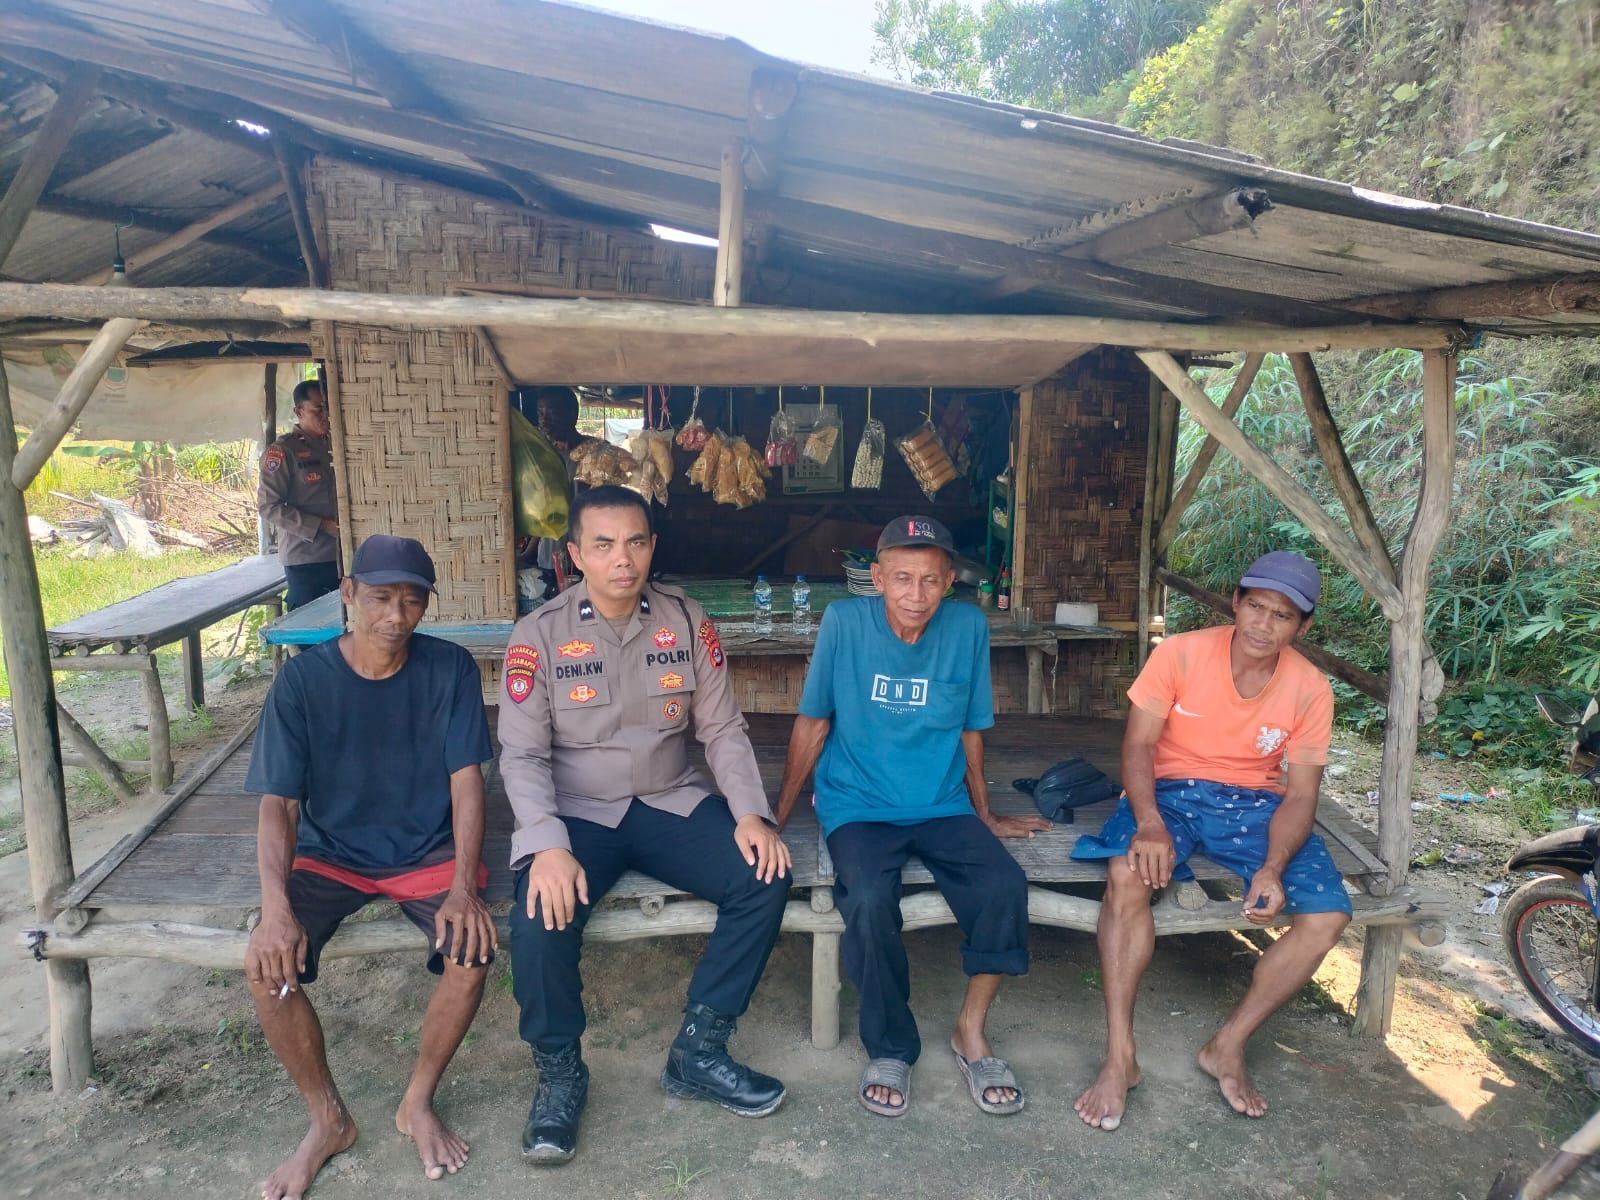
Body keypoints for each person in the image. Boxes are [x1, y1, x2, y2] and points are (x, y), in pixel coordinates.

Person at [499, 485, 790, 1165]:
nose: (622, 559)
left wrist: (750, 813)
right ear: (575, 555)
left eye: (635, 542)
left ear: (652, 547)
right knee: (537, 919)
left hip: (668, 800)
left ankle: (699, 1050)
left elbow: (721, 729)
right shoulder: (539, 634)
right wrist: (545, 844)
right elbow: (522, 755)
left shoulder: (686, 620)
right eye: (603, 545)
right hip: (578, 813)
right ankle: (560, 1074)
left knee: (764, 874)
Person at [242, 535, 496, 1199]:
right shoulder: (303, 681)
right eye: (381, 598)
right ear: (349, 593)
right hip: (331, 854)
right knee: (265, 968)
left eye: (412, 601)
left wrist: (463, 889)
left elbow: (468, 783)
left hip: (425, 850)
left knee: (471, 952)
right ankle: (327, 1120)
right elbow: (279, 805)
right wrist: (275, 910)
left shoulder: (449, 669)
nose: (396, 615)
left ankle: (417, 1102)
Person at [774, 515, 1050, 1118]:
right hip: (858, 803)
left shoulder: (967, 627)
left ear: (949, 582)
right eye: (902, 578)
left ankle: (970, 1031)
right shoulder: (844, 622)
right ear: (877, 578)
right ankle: (891, 1047)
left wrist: (985, 813)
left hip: (942, 802)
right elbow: (813, 721)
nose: (916, 595)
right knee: (869, 901)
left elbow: (971, 729)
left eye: (930, 580)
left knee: (1004, 886)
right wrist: (778, 816)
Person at [1070, 550, 1352, 1130]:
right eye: (1256, 606)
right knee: (1127, 875)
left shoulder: (1310, 689)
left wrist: (1272, 866)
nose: (1263, 624)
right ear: (1236, 603)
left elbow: (1301, 794)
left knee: (1327, 917)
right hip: (1167, 792)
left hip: (1254, 803)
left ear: (1302, 627)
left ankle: (1228, 1044)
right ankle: (1120, 1056)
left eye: (1282, 615)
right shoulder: (1180, 653)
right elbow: (1138, 746)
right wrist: (1149, 822)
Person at [259, 379, 340, 610]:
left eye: (329, 408)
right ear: (299, 412)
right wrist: (321, 525)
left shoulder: (337, 445)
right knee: (310, 624)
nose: (326, 415)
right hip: (307, 558)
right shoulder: (283, 451)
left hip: (342, 555)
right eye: (318, 409)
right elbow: (268, 506)